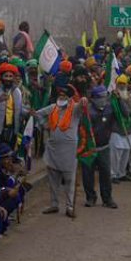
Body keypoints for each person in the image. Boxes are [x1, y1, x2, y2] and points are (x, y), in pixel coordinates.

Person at [37, 78, 85, 218]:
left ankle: (70, 207)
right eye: (60, 95)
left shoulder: (75, 109)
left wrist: (83, 101)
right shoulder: (53, 108)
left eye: (64, 96)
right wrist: (44, 125)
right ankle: (54, 204)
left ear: (70, 98)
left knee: (70, 180)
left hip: (68, 151)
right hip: (53, 148)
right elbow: (39, 114)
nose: (61, 97)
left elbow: (81, 106)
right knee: (53, 179)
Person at [80, 85, 116, 209]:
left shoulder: (110, 108)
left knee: (106, 173)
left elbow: (124, 115)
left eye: (105, 96)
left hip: (104, 147)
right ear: (94, 98)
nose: (104, 99)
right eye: (101, 97)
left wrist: (119, 100)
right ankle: (90, 197)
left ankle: (107, 198)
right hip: (89, 148)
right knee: (87, 174)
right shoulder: (87, 111)